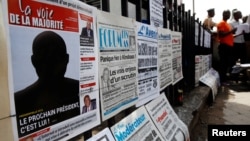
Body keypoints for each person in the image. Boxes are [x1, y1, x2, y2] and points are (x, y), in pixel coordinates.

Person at [14, 31, 80, 137]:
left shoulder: (19, 101)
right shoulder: (18, 102)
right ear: (34, 62)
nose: (51, 67)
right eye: (45, 60)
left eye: (55, 59)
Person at [217, 10, 237, 84]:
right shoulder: (221, 23)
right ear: (223, 14)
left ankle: (224, 79)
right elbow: (221, 34)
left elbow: (228, 35)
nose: (228, 15)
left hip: (228, 47)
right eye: (226, 13)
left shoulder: (227, 24)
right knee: (223, 64)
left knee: (226, 64)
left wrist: (238, 34)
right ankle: (222, 80)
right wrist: (231, 31)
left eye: (229, 14)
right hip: (224, 46)